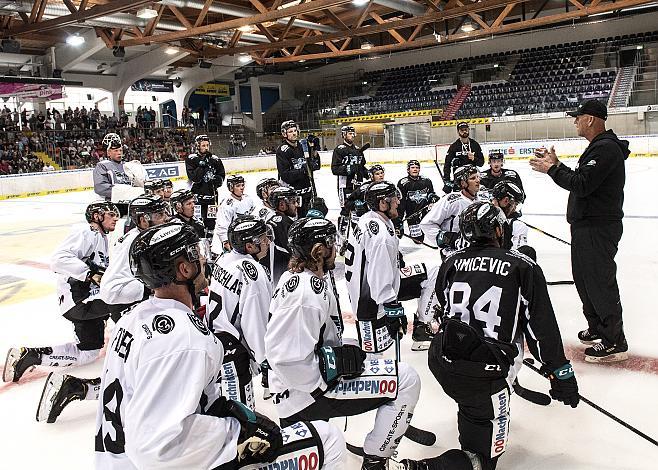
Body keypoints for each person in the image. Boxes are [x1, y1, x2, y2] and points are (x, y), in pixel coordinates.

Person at [95, 221, 345, 469]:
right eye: (197, 253)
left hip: (117, 460)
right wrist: (236, 432)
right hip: (161, 463)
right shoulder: (183, 339)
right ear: (184, 269)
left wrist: (224, 412)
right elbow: (157, 445)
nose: (204, 259)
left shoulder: (132, 319)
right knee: (328, 439)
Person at [427, 201, 580, 470]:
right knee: (482, 460)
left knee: (472, 408)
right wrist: (561, 373)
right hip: (484, 373)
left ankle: (473, 422)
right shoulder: (522, 266)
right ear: (498, 229)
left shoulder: (451, 262)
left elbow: (442, 308)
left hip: (441, 360)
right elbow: (541, 328)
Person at [265, 217, 424, 470]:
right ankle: (375, 461)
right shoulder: (304, 294)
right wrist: (332, 369)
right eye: (331, 243)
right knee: (406, 379)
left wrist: (339, 353)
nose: (336, 248)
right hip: (304, 395)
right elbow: (286, 359)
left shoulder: (299, 278)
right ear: (318, 252)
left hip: (300, 387)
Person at [530, 99, 629, 363]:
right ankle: (598, 326)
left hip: (598, 227)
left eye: (578, 117)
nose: (575, 121)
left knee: (598, 281)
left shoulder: (606, 149)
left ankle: (614, 340)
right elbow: (582, 180)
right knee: (585, 280)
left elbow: (582, 184)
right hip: (586, 226)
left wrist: (553, 169)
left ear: (590, 119)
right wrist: (558, 166)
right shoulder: (598, 148)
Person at [2, 202, 118, 422]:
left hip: (83, 300)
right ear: (96, 216)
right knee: (123, 303)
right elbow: (59, 259)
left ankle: (30, 356)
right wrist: (90, 274)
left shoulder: (100, 237)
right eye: (111, 214)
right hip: (81, 299)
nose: (115, 218)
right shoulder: (87, 232)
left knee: (88, 353)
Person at [344, 182, 440, 353]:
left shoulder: (369, 218)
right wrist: (392, 307)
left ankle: (421, 328)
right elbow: (378, 275)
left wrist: (397, 256)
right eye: (394, 199)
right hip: (370, 303)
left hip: (368, 289)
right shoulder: (381, 237)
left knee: (433, 273)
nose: (398, 202)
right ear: (382, 203)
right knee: (376, 360)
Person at [208, 215, 273, 409]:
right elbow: (255, 322)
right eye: (262, 239)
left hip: (214, 339)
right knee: (241, 413)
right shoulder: (253, 272)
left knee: (222, 401)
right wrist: (264, 359)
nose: (268, 242)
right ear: (250, 246)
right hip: (232, 349)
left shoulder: (225, 258)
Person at [99, 194, 170, 321]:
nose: (165, 218)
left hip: (130, 295)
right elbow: (111, 289)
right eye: (159, 215)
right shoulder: (135, 242)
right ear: (143, 220)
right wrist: (152, 288)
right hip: (122, 301)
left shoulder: (142, 235)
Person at [420, 164, 480, 258]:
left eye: (477, 177)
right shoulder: (451, 200)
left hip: (476, 253)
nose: (478, 180)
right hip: (453, 254)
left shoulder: (482, 199)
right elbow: (427, 224)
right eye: (473, 178)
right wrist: (446, 238)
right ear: (463, 183)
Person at [276, 120, 320, 216]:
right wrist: (303, 170)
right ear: (284, 134)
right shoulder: (283, 150)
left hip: (309, 192)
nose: (294, 133)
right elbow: (285, 175)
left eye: (295, 131)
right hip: (293, 197)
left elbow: (316, 166)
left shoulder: (303, 145)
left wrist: (314, 148)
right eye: (290, 132)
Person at [331, 125, 369, 238]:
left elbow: (361, 166)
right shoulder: (339, 149)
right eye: (349, 133)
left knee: (358, 208)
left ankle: (357, 235)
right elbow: (335, 169)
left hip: (357, 184)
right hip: (345, 185)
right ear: (343, 135)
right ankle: (341, 236)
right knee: (346, 209)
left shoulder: (357, 149)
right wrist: (349, 169)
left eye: (353, 133)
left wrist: (367, 173)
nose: (352, 135)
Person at [186, 134, 225, 231]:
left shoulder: (215, 160)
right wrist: (201, 166)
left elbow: (221, 176)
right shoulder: (191, 159)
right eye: (203, 145)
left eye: (207, 145)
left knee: (211, 221)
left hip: (211, 197)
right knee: (196, 221)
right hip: (196, 198)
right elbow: (195, 178)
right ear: (197, 146)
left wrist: (216, 180)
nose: (206, 148)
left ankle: (210, 240)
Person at [397, 159, 439, 244]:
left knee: (433, 235)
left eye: (417, 167)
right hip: (412, 214)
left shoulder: (426, 181)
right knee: (418, 240)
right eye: (412, 167)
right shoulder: (403, 183)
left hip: (426, 212)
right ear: (408, 170)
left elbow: (431, 194)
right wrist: (398, 219)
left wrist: (433, 199)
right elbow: (401, 202)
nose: (415, 169)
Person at [211, 174, 256, 254]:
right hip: (235, 239)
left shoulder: (248, 199)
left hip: (249, 236)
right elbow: (222, 226)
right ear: (231, 188)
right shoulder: (226, 205)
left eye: (242, 185)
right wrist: (226, 242)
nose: (242, 188)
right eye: (238, 186)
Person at [265, 186, 300, 286]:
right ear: (282, 205)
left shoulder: (271, 220)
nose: (296, 205)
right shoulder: (287, 225)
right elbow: (295, 253)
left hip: (272, 274)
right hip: (283, 277)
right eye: (293, 202)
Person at [491, 180, 533, 256]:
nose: (514, 208)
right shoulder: (517, 225)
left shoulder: (476, 214)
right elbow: (518, 257)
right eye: (515, 204)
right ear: (506, 200)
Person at [443, 122, 484, 193]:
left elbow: (481, 163)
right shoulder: (454, 146)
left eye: (466, 129)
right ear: (458, 132)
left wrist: (474, 158)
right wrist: (447, 180)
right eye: (462, 130)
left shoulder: (475, 145)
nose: (464, 131)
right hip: (459, 181)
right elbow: (447, 164)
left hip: (472, 180)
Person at [93, 133, 131, 200]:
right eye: (116, 151)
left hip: (129, 200)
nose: (119, 153)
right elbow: (100, 187)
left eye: (120, 150)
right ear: (109, 153)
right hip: (111, 204)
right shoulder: (102, 165)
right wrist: (123, 192)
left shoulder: (127, 165)